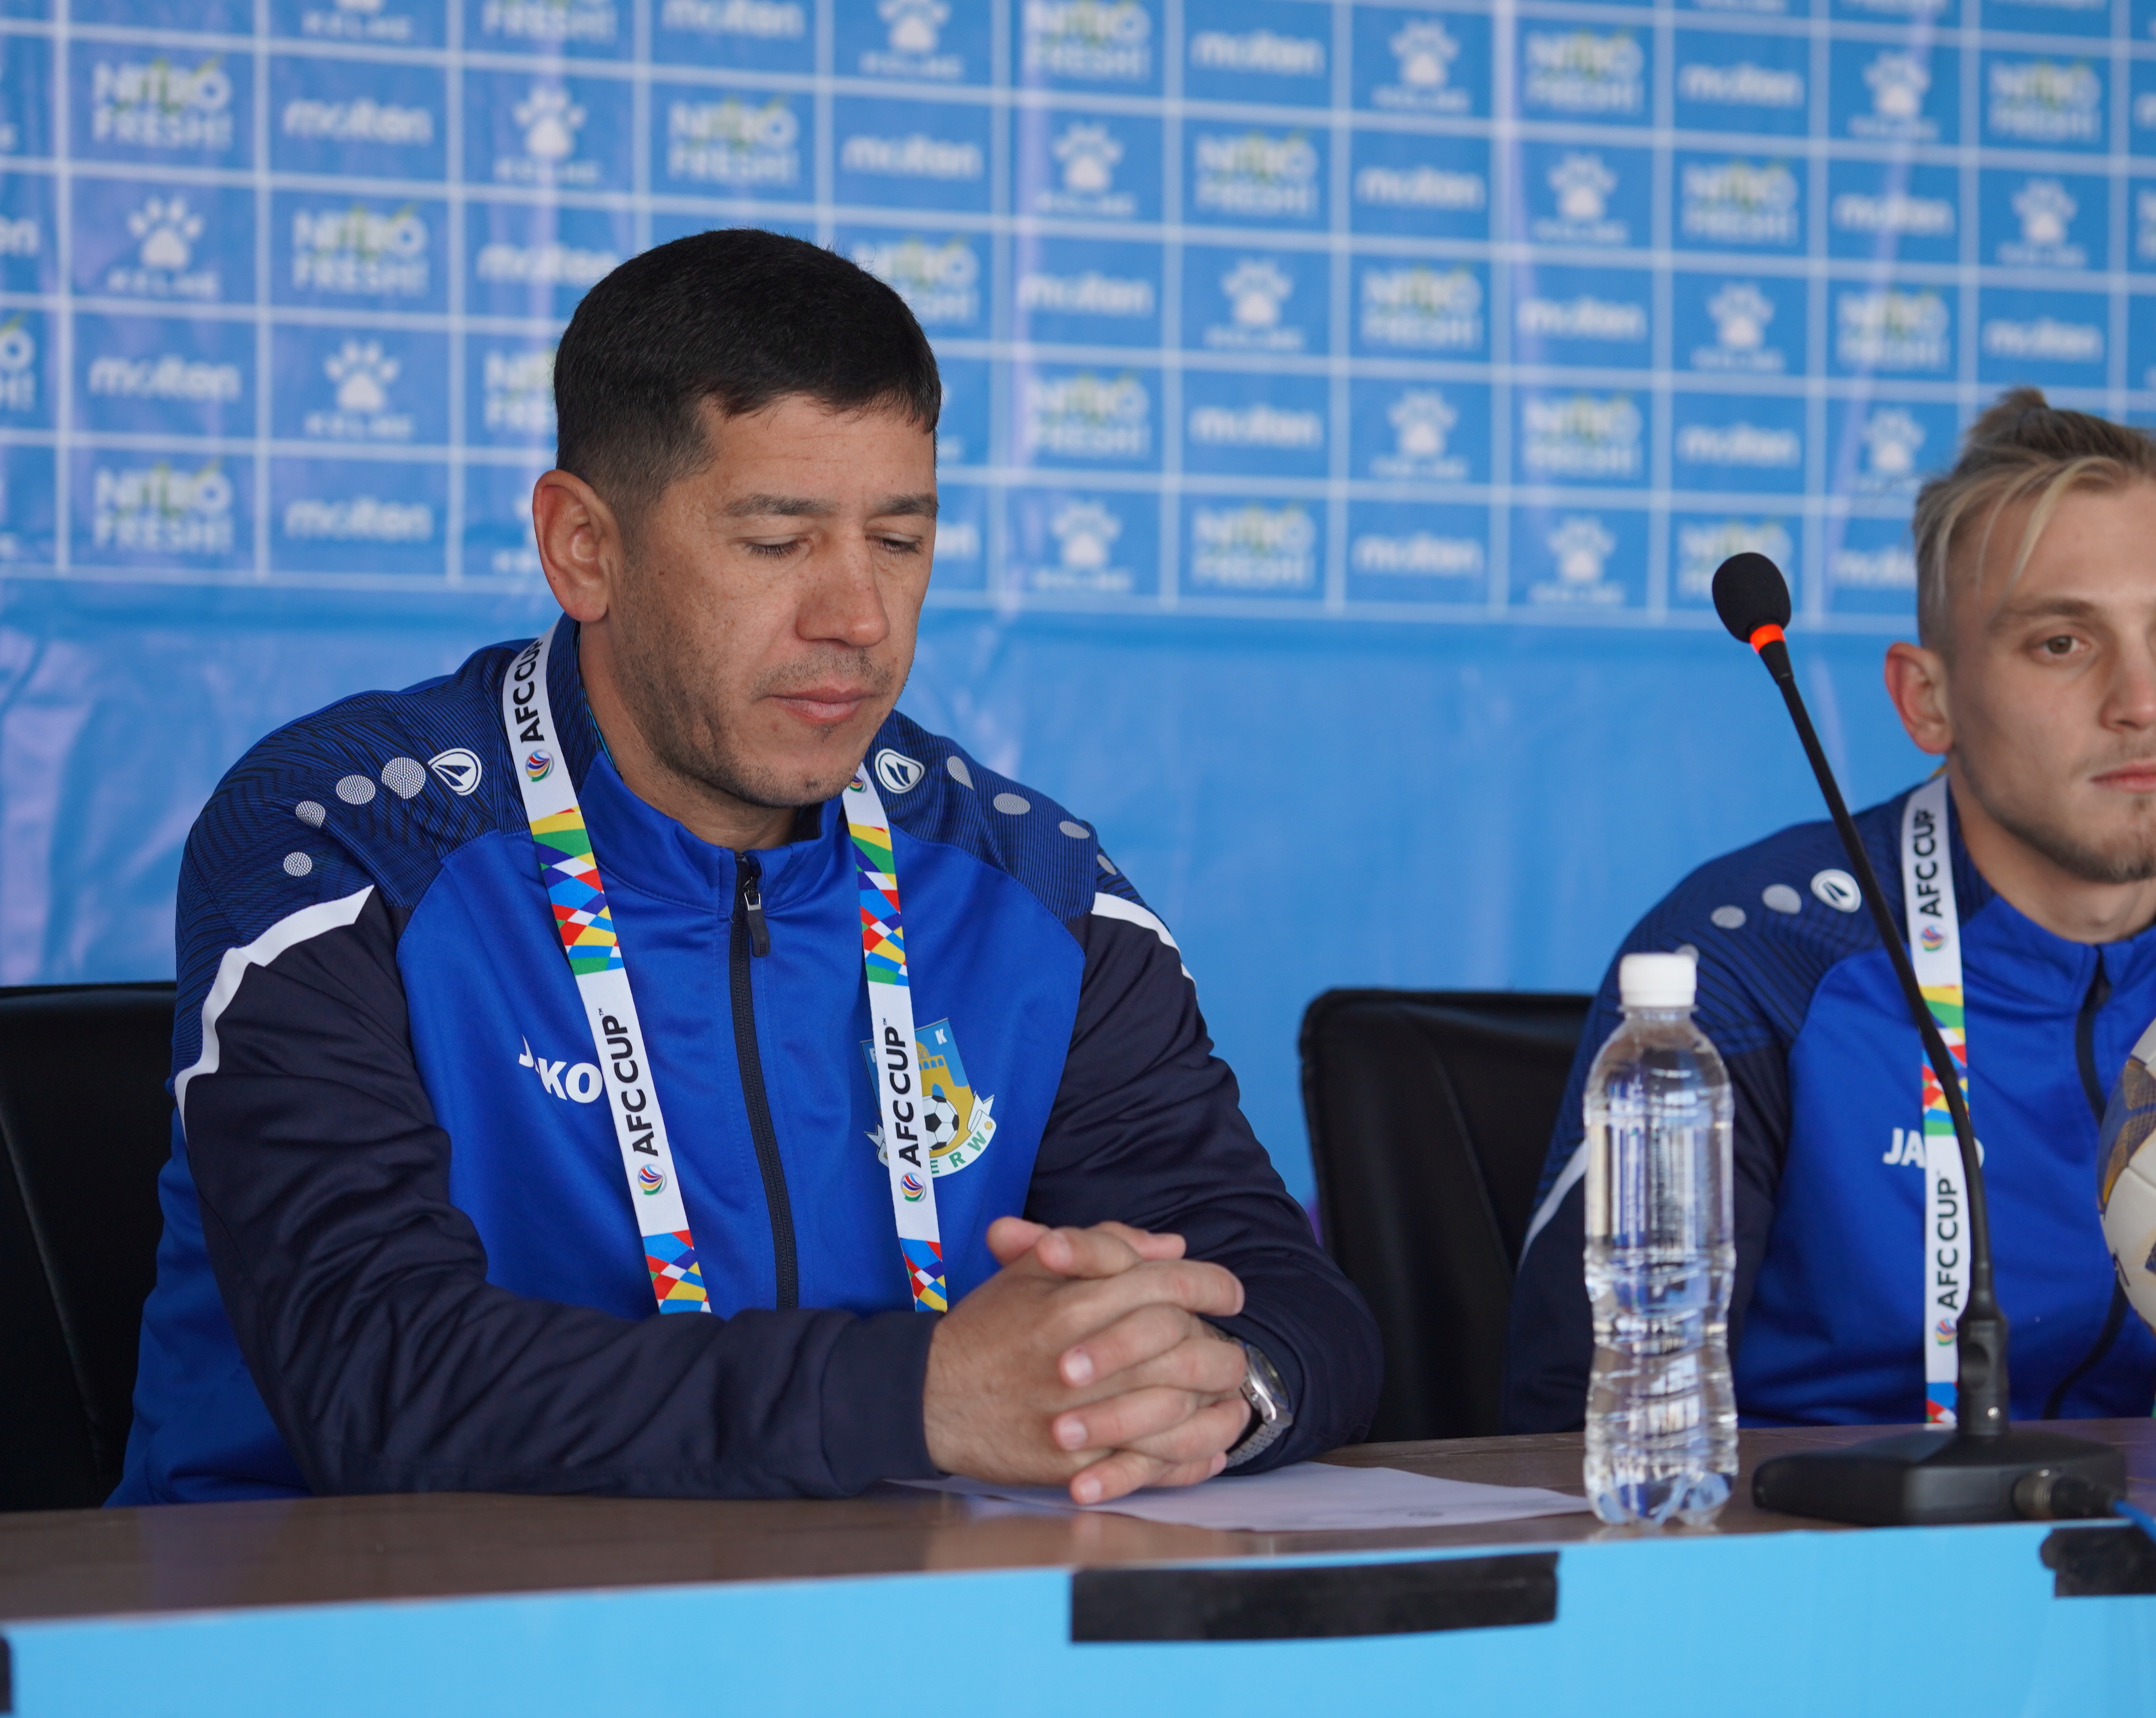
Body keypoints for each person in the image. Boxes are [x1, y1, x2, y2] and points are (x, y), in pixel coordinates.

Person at [116, 230, 1379, 1505]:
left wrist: (1209, 1393)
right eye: (778, 542)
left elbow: (1284, 1299)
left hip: (888, 1606)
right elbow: (374, 1370)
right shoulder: (351, 837)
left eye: (899, 541)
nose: (858, 618)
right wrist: (918, 1399)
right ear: (584, 547)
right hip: (367, 1609)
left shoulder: (1025, 883)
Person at [1504, 390, 2156, 1433]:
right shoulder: (1757, 962)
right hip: (1807, 1531)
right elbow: (1583, 1420)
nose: (2143, 700)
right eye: (2062, 643)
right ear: (1926, 700)